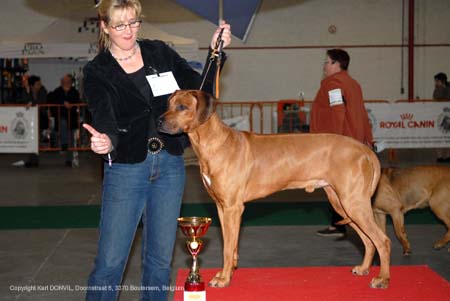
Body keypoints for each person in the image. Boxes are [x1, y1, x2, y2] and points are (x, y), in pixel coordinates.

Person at [81, 0, 231, 300]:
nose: (128, 31)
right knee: (110, 263)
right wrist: (106, 141)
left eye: (134, 22)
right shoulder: (97, 71)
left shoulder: (159, 52)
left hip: (170, 165)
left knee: (160, 262)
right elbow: (104, 116)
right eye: (120, 25)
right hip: (126, 168)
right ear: (105, 27)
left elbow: (199, 92)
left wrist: (215, 54)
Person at [309, 49, 373, 237]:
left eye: (327, 62)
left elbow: (338, 112)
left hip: (338, 145)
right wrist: (369, 139)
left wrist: (334, 143)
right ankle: (346, 223)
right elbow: (362, 113)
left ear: (337, 64)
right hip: (354, 143)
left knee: (334, 186)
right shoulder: (354, 84)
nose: (324, 65)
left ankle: (339, 225)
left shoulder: (333, 83)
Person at [48, 74, 81, 167]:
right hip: (61, 117)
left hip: (72, 119)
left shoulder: (74, 91)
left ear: (70, 82)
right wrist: (63, 103)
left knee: (71, 140)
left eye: (67, 81)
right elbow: (53, 101)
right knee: (63, 127)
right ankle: (64, 144)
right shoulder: (57, 91)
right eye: (64, 81)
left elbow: (77, 101)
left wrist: (71, 104)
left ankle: (68, 160)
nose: (65, 82)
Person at [17, 75, 48, 167]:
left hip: (40, 118)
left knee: (35, 140)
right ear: (32, 85)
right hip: (28, 119)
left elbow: (42, 101)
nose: (40, 85)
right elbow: (24, 101)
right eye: (37, 84)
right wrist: (27, 92)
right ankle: (32, 161)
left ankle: (34, 161)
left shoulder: (43, 90)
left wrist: (32, 103)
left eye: (40, 83)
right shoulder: (26, 90)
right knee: (31, 140)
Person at [433, 72, 450, 162]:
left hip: (448, 114)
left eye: (437, 81)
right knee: (438, 136)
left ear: (442, 81)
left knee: (448, 136)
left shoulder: (448, 88)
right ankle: (439, 156)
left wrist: (443, 88)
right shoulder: (437, 89)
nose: (436, 83)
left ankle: (447, 155)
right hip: (440, 115)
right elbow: (437, 97)